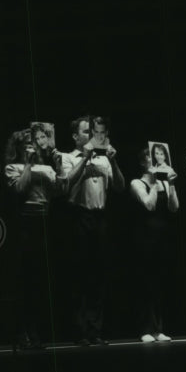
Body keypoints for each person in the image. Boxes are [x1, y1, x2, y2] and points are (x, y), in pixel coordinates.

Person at [58, 114, 126, 346]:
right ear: (76, 136)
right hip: (78, 217)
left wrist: (114, 161)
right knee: (79, 274)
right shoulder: (68, 157)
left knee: (99, 274)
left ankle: (95, 329)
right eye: (87, 132)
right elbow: (66, 184)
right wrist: (85, 159)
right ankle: (79, 331)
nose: (93, 136)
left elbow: (119, 187)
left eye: (96, 132)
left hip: (101, 218)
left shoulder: (105, 159)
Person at [3, 123, 64, 349]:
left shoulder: (46, 167)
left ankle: (36, 331)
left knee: (39, 281)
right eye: (26, 144)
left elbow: (60, 190)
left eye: (33, 144)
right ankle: (21, 332)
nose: (31, 147)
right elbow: (19, 190)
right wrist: (28, 164)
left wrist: (58, 167)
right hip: (23, 225)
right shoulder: (13, 167)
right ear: (19, 147)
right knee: (23, 280)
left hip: (44, 223)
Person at [130, 146, 179, 342]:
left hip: (162, 237)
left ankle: (159, 328)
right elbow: (149, 205)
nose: (158, 159)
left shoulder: (164, 183)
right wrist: (152, 181)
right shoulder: (137, 182)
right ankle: (145, 329)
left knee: (160, 283)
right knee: (146, 283)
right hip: (144, 237)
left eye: (161, 155)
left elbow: (174, 208)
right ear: (144, 162)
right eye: (153, 156)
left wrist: (171, 184)